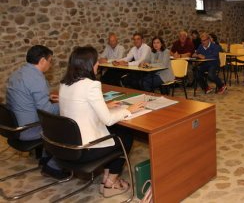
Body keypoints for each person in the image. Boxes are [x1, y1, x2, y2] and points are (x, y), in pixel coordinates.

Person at [59, 46, 145, 197]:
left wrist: (105, 105)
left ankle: (106, 178)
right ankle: (110, 184)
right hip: (86, 148)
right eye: (96, 61)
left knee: (115, 133)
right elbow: (108, 119)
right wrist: (129, 110)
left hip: (68, 145)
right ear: (89, 65)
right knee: (125, 135)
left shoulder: (65, 84)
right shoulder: (92, 85)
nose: (98, 64)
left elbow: (80, 105)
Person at [6, 45, 67, 179]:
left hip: (12, 128)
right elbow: (47, 112)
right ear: (43, 61)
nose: (50, 65)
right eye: (50, 61)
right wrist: (65, 103)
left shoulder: (16, 74)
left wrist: (47, 97)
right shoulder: (37, 78)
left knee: (51, 123)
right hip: (27, 130)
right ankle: (53, 166)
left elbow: (25, 97)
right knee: (66, 128)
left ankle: (45, 158)